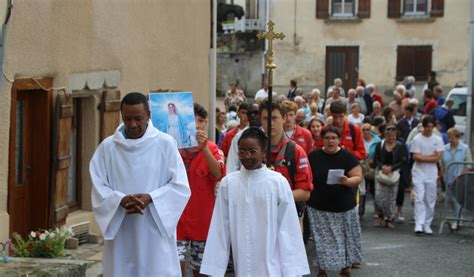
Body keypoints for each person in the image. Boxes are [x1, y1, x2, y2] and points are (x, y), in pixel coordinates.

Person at [90, 92, 190, 277]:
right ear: (121, 116)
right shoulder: (108, 147)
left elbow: (180, 186)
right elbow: (98, 185)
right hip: (121, 228)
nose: (133, 124)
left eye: (138, 118)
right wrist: (119, 200)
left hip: (154, 227)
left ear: (149, 116)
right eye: (127, 119)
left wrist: (151, 198)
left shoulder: (165, 144)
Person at [200, 128, 310, 276]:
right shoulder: (229, 184)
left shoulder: (277, 182)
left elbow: (288, 227)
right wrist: (214, 267)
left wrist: (292, 269)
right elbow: (220, 226)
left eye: (252, 151)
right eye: (242, 151)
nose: (247, 156)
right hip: (243, 261)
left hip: (273, 261)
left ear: (263, 151)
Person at [306, 126, 363, 277]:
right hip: (318, 206)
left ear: (339, 140)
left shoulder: (347, 156)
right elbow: (306, 176)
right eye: (327, 138)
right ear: (322, 139)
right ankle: (322, 269)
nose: (330, 141)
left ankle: (345, 267)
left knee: (344, 237)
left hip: (343, 206)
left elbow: (357, 177)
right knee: (321, 239)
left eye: (333, 138)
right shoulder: (313, 156)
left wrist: (347, 181)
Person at [177, 103, 225, 276]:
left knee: (202, 271)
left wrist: (204, 149)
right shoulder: (171, 147)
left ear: (205, 123)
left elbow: (219, 173)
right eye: (192, 120)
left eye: (201, 121)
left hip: (203, 222)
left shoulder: (213, 149)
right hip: (176, 220)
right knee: (174, 268)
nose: (197, 125)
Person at [260, 99, 313, 228]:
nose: (270, 123)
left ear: (284, 118)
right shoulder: (254, 150)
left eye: (275, 118)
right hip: (259, 216)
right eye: (266, 118)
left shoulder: (295, 151)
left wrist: (277, 196)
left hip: (287, 218)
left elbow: (305, 193)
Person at [411, 116, 444, 235]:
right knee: (419, 198)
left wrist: (424, 157)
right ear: (423, 127)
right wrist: (431, 157)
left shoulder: (438, 139)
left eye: (431, 126)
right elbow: (416, 156)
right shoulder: (417, 139)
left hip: (432, 173)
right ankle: (419, 223)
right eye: (427, 127)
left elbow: (438, 156)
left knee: (430, 199)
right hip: (418, 172)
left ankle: (427, 224)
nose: (429, 129)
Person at [373, 125, 407, 229]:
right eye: (389, 136)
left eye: (393, 136)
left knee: (391, 198)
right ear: (385, 136)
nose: (391, 138)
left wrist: (391, 168)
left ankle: (390, 218)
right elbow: (376, 159)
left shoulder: (401, 146)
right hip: (381, 172)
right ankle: (379, 216)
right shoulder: (380, 145)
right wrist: (382, 167)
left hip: (394, 173)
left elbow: (402, 161)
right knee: (379, 196)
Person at [442, 128, 473, 230]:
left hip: (460, 180)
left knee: (457, 200)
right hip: (448, 178)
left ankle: (457, 220)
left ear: (457, 137)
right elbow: (441, 163)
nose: (450, 140)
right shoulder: (445, 148)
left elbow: (469, 164)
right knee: (449, 200)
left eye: (452, 138)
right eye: (449, 137)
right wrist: (442, 175)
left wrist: (461, 175)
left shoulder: (464, 148)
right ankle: (457, 218)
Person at [226, 102, 261, 173]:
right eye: (249, 113)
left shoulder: (268, 134)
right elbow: (232, 164)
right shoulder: (239, 136)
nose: (252, 115)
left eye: (256, 113)